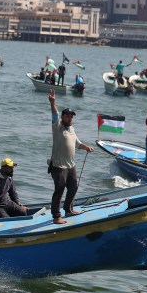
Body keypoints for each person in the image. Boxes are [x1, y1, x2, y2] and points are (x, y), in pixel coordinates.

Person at [48, 89, 94, 225]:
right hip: (58, 166)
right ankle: (56, 216)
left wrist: (86, 147)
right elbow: (54, 114)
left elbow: (77, 142)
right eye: (67, 116)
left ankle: (68, 209)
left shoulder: (71, 128)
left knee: (73, 187)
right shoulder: (57, 126)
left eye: (71, 116)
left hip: (71, 165)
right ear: (63, 117)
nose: (70, 118)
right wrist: (53, 102)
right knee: (59, 189)